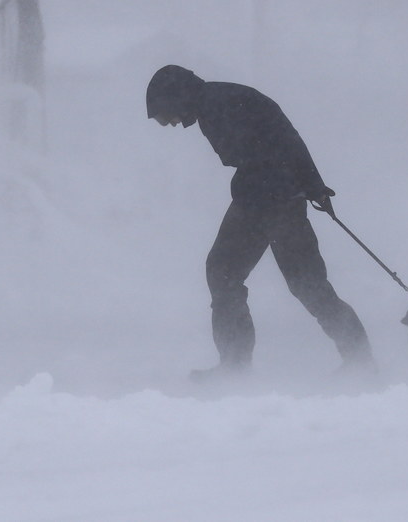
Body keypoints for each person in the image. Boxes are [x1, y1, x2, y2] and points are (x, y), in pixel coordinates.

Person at [146, 64, 375, 382]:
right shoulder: (216, 102)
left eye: (161, 112)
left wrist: (311, 187)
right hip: (259, 201)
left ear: (175, 97)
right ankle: (236, 368)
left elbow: (283, 141)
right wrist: (313, 185)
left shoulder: (220, 104)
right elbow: (287, 136)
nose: (165, 122)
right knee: (240, 276)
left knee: (300, 285)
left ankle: (358, 363)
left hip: (273, 203)